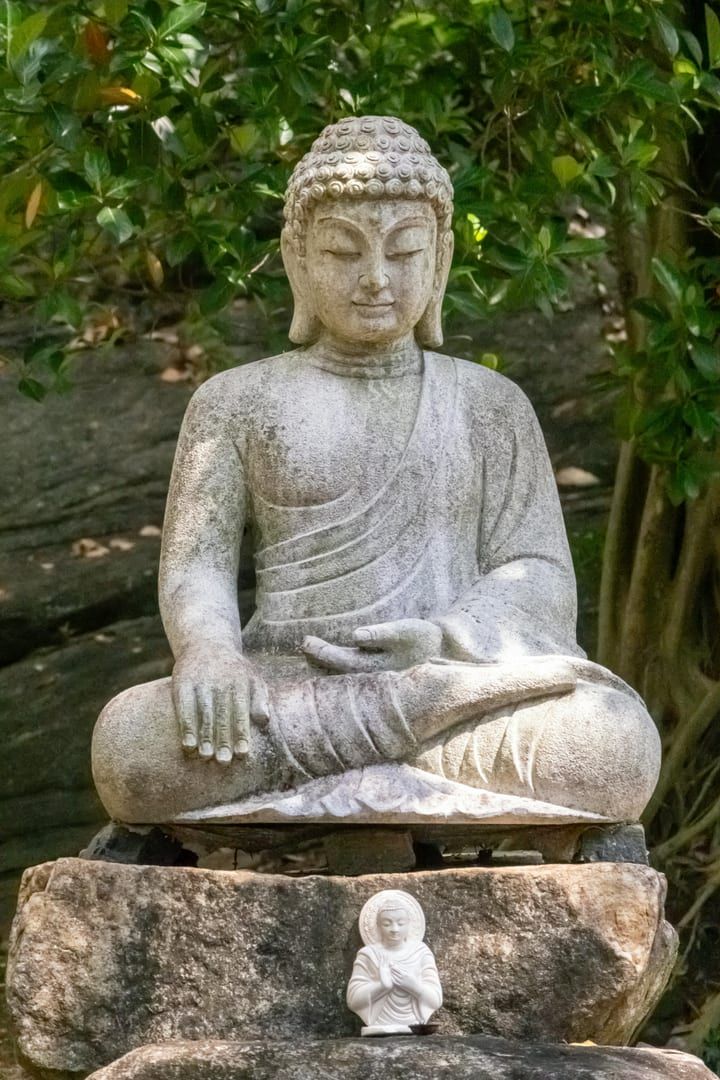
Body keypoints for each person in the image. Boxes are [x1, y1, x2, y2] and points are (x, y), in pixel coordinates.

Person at [92, 116, 661, 826]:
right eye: (342, 252)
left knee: (610, 742)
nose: (375, 280)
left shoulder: (490, 405)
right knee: (131, 748)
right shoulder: (235, 403)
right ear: (297, 260)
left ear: (440, 260)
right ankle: (407, 783)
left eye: (404, 252)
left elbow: (539, 572)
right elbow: (196, 567)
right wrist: (209, 652)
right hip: (287, 695)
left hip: (444, 692)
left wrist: (444, 638)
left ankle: (339, 788)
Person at [347, 889, 442, 1035]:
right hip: (379, 1022)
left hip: (414, 1022)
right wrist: (382, 986)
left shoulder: (421, 953)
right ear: (378, 926)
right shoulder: (368, 955)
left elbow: (436, 1000)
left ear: (410, 924)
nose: (394, 929)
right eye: (387, 924)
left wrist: (414, 986)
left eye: (401, 923)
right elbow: (353, 1001)